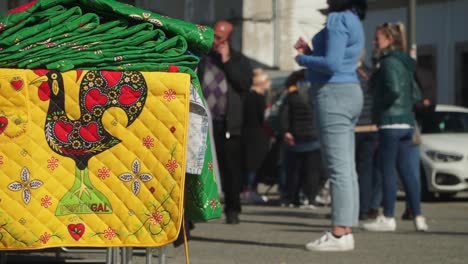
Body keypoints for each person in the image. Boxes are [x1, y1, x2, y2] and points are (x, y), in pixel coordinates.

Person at [294, 0, 367, 252]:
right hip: (351, 90)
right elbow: (339, 59)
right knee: (347, 167)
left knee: (337, 168)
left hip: (333, 93)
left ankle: (338, 233)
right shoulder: (354, 17)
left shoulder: (337, 18)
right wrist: (312, 53)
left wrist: (303, 58)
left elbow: (332, 64)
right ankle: (345, 230)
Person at [362, 22, 428, 232]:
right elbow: (416, 94)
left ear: (389, 40)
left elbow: (393, 90)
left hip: (391, 122)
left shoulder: (388, 62)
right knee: (408, 172)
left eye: (377, 38)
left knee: (387, 170)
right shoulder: (406, 62)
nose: (374, 42)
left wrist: (380, 104)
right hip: (407, 122)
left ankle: (388, 217)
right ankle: (418, 216)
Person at [197, 20, 253, 224]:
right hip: (204, 122)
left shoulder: (239, 60)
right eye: (214, 36)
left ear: (229, 39)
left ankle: (232, 209)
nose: (215, 42)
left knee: (231, 168)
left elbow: (244, 84)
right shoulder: (203, 58)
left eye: (220, 38)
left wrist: (227, 60)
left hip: (228, 123)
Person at [280, 69, 323, 209]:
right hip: (314, 137)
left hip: (295, 137)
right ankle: (311, 199)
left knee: (294, 171)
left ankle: (292, 198)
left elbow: (284, 114)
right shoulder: (316, 94)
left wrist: (286, 131)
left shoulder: (291, 95)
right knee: (312, 171)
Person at [355, 51, 381, 220]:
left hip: (355, 127)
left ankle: (357, 208)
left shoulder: (348, 74)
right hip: (372, 126)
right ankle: (369, 206)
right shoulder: (371, 73)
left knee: (352, 171)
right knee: (369, 170)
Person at [242, 68, 271, 203]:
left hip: (247, 132)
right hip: (257, 134)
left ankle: (247, 190)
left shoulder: (247, 96)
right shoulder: (259, 98)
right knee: (255, 164)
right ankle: (250, 190)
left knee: (248, 163)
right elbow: (262, 118)